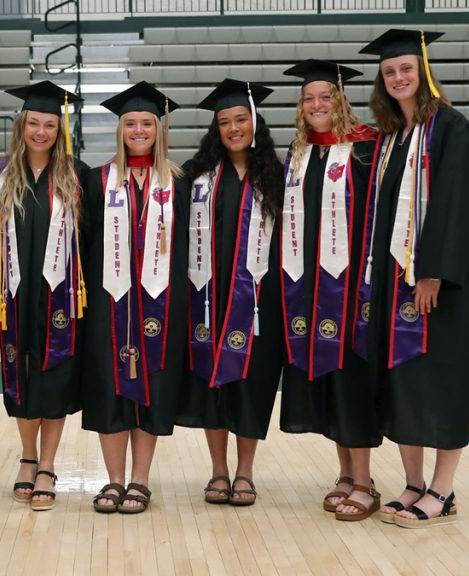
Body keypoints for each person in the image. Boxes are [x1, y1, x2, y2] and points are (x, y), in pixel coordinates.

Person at [357, 29, 469, 528]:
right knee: (403, 380)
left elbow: (457, 205)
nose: (397, 77)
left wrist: (433, 272)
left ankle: (443, 491)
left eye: (406, 69)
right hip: (395, 282)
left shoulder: (451, 128)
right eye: (389, 72)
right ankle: (412, 484)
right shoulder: (392, 139)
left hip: (442, 285)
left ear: (425, 72)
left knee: (445, 381)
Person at [277, 60, 381, 520]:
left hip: (354, 288)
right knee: (331, 380)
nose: (317, 105)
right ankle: (345, 474)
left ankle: (364, 481)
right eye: (309, 98)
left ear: (341, 100)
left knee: (354, 380)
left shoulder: (367, 148)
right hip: (311, 289)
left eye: (326, 96)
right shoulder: (299, 155)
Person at [178, 79, 285, 507]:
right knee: (211, 384)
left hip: (259, 301)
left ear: (255, 122)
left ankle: (245, 472)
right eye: (225, 121)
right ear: (215, 129)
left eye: (241, 119)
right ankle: (219, 471)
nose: (234, 128)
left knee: (251, 384)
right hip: (207, 299)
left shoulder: (278, 175)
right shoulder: (197, 176)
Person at [82, 81, 187, 514]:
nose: (140, 130)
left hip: (162, 304)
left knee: (154, 388)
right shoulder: (96, 181)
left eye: (147, 123)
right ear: (120, 130)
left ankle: (140, 481)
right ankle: (113, 481)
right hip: (110, 304)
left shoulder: (180, 182)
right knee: (110, 387)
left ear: (159, 129)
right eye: (131, 124)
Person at [0, 81, 87, 511]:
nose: (41, 131)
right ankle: (27, 457)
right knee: (22, 375)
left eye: (50, 124)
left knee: (54, 378)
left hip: (60, 299)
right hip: (13, 295)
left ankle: (47, 464)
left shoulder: (76, 176)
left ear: (60, 129)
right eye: (34, 122)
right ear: (22, 125)